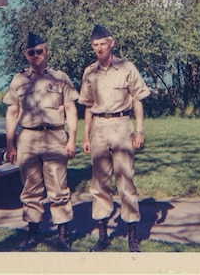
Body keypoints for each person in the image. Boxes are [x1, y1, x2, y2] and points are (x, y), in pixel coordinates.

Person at [3, 32, 79, 252]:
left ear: (47, 52)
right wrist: (10, 143)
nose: (35, 55)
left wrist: (72, 138)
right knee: (30, 188)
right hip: (27, 138)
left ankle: (63, 236)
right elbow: (12, 112)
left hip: (55, 136)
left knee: (58, 187)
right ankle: (33, 235)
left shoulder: (60, 77)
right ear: (27, 55)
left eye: (39, 51)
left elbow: (71, 109)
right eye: (31, 52)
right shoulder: (19, 80)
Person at [78, 25, 150, 252]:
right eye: (95, 45)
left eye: (102, 44)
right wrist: (86, 136)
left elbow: (138, 99)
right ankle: (102, 236)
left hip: (121, 125)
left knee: (125, 179)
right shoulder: (89, 72)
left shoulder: (126, 68)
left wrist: (139, 130)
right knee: (99, 182)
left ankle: (132, 236)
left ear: (112, 43)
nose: (99, 48)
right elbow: (88, 106)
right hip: (99, 126)